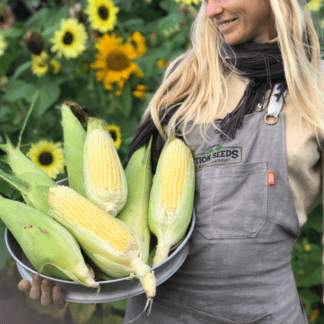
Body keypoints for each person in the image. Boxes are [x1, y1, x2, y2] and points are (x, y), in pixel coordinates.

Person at [18, 0, 324, 323]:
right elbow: (126, 216)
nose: (211, 10)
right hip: (160, 313)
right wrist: (68, 271)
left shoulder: (315, 91)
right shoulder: (184, 82)